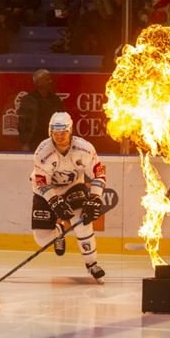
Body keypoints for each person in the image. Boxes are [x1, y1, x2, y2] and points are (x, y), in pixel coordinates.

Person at [29, 112, 107, 284]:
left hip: (73, 186)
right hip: (46, 191)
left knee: (82, 222)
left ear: (70, 131)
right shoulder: (43, 152)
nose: (59, 137)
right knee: (41, 238)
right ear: (50, 132)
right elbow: (41, 181)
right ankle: (59, 232)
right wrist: (54, 200)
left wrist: (95, 197)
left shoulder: (84, 149)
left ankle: (92, 263)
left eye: (63, 132)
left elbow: (98, 173)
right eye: (55, 133)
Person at [17, 69, 64, 152]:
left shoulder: (55, 100)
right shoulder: (28, 100)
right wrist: (25, 142)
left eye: (50, 79)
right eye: (47, 79)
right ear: (38, 83)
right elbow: (22, 123)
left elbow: (62, 120)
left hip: (52, 141)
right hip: (34, 141)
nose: (50, 81)